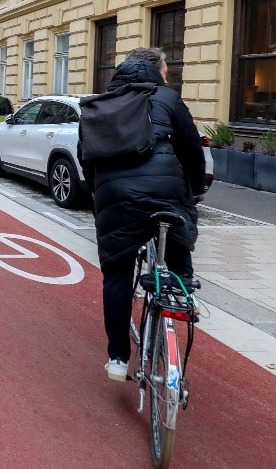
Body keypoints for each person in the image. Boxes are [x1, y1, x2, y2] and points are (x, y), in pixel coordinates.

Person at [78, 47, 206, 382]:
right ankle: (181, 293)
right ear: (156, 71)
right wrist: (193, 190)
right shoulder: (168, 98)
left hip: (114, 195)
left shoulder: (98, 105)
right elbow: (192, 150)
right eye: (166, 71)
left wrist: (100, 193)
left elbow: (86, 158)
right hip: (166, 188)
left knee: (118, 275)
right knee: (176, 231)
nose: (167, 77)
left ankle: (118, 358)